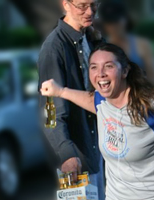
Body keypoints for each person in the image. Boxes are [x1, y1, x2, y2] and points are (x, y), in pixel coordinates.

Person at [40, 43, 154, 200]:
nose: (101, 73)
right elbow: (91, 100)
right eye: (94, 67)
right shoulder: (102, 101)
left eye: (109, 66)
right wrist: (60, 91)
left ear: (125, 71)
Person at [37, 0, 104, 198]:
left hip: (97, 149)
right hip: (78, 158)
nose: (90, 11)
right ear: (65, 4)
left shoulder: (90, 37)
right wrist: (67, 153)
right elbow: (49, 112)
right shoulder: (54, 48)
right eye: (82, 6)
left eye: (94, 4)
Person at [96, 0, 154, 85]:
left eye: (117, 21)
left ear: (126, 19)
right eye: (110, 23)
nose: (114, 27)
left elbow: (153, 77)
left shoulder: (142, 44)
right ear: (104, 25)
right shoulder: (102, 48)